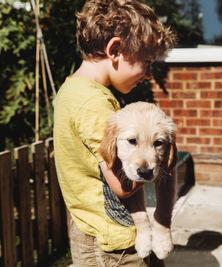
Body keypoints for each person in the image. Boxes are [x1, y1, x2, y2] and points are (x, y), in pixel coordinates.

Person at [53, 0, 175, 265]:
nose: (149, 74)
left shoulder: (70, 91)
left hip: (89, 227)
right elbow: (122, 186)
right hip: (114, 244)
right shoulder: (95, 104)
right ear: (116, 50)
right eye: (147, 61)